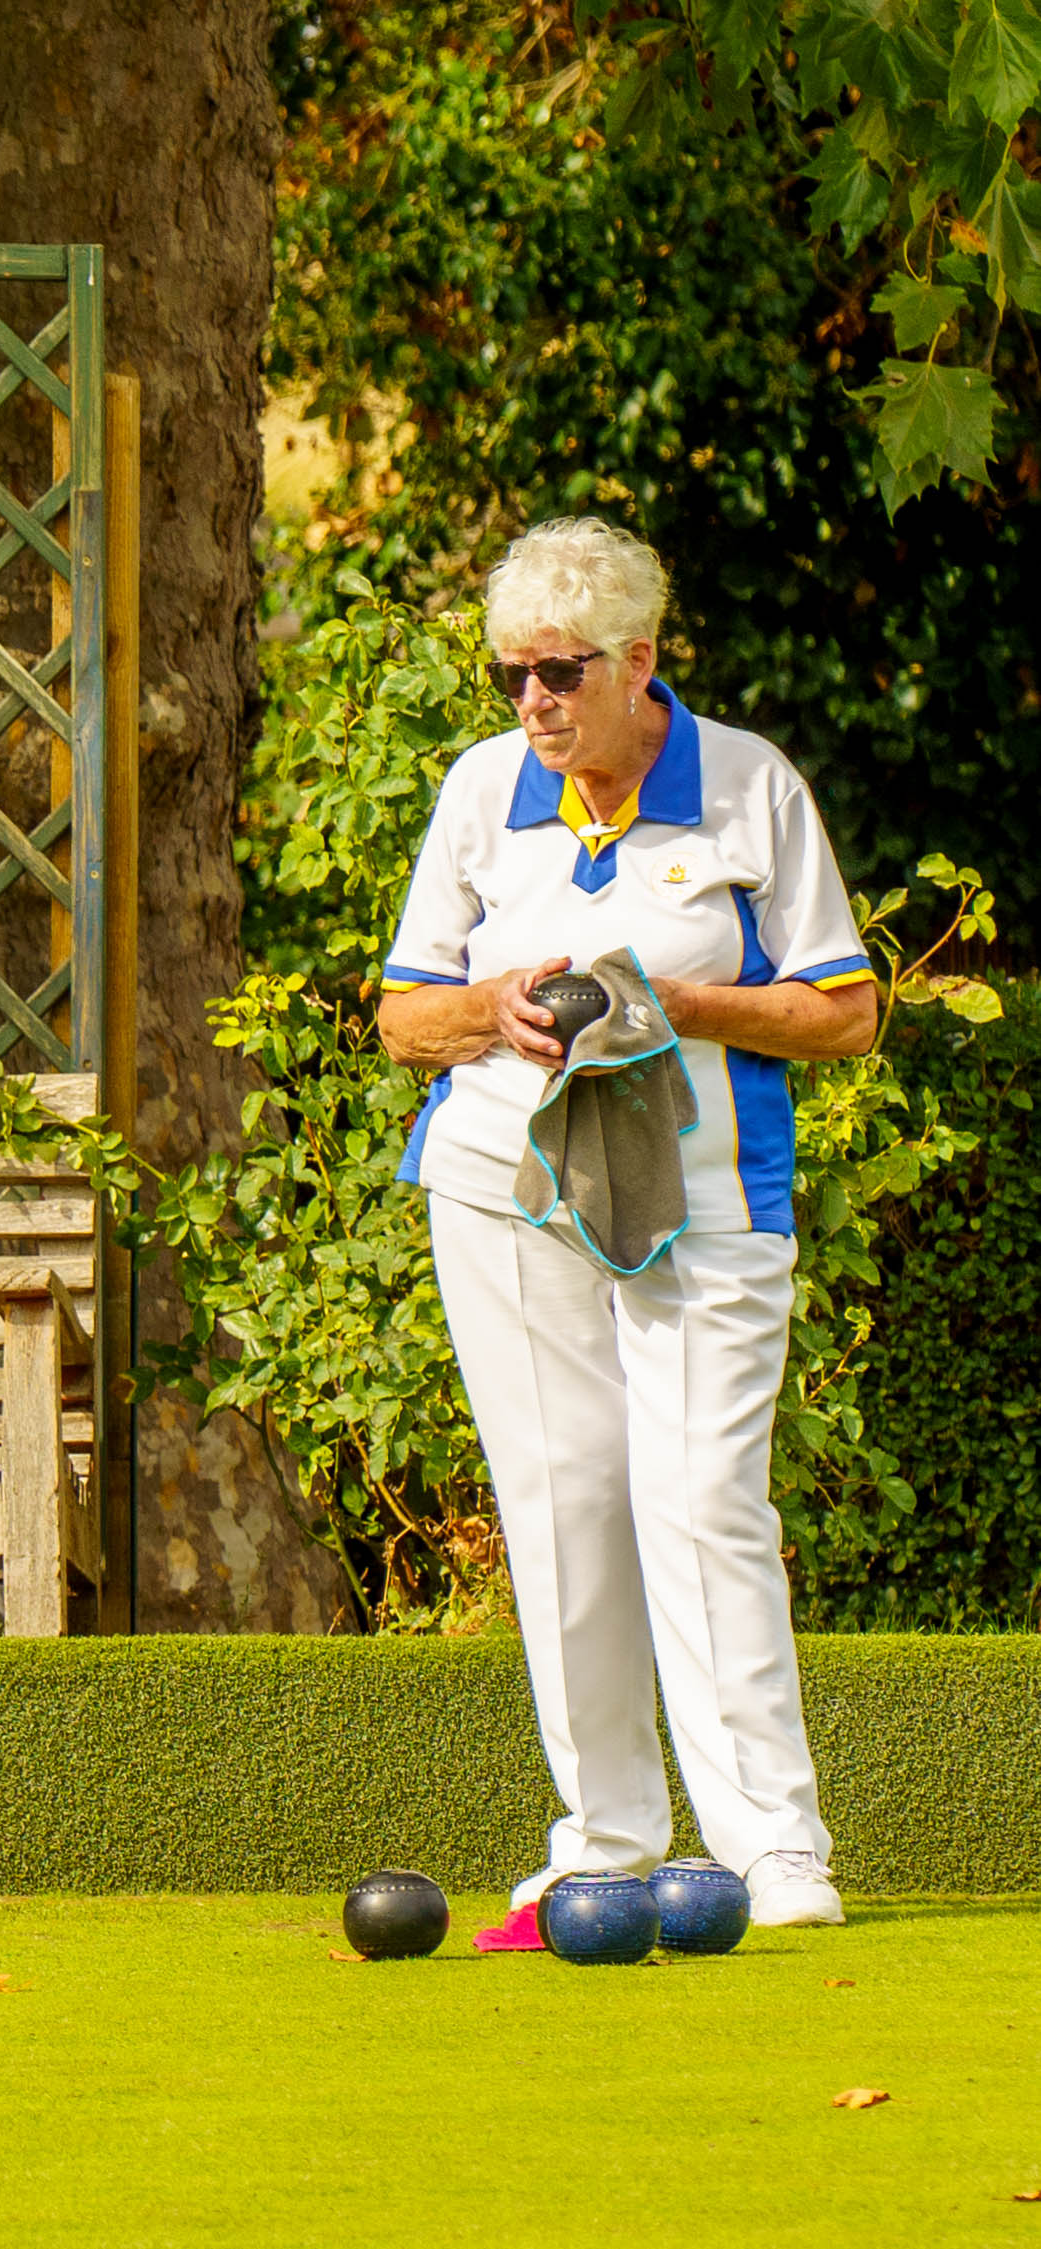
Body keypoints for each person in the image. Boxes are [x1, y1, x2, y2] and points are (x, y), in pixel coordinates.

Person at [376, 516, 876, 1943]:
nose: (532, 700)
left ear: (639, 661)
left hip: (705, 1196)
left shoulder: (749, 791)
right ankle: (602, 1837)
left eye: (559, 671)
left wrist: (685, 1004)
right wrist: (495, 1008)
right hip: (502, 1186)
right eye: (510, 675)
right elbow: (405, 1012)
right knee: (563, 1499)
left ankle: (772, 1849)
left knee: (702, 1499)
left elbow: (844, 1010)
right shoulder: (482, 794)